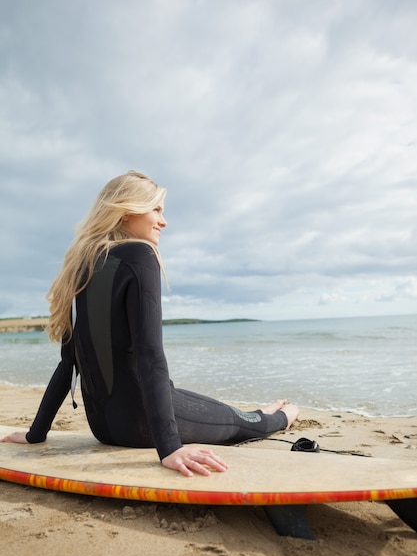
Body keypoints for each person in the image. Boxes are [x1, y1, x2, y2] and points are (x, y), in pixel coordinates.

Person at [0, 171, 299, 476]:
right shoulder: (139, 255)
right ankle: (283, 416)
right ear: (127, 211)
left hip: (103, 427)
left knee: (220, 408)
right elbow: (149, 355)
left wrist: (35, 434)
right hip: (141, 425)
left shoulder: (79, 269)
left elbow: (67, 366)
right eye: (156, 209)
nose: (163, 221)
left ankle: (259, 411)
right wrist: (169, 448)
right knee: (237, 422)